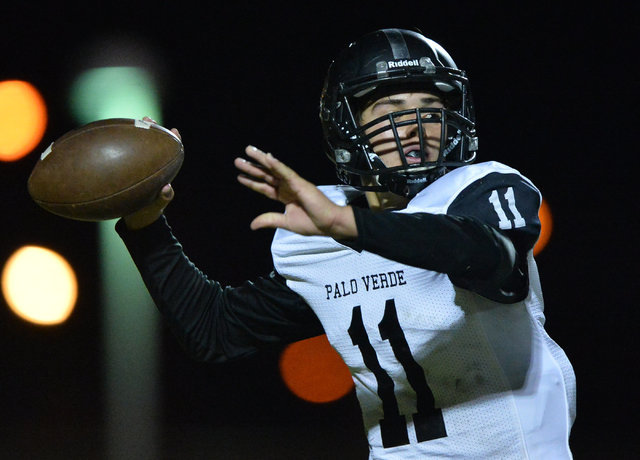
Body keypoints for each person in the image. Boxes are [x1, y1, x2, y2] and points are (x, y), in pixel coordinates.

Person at [118, 29, 576, 459]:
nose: (415, 123)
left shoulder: (482, 190)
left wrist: (351, 225)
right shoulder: (327, 231)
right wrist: (145, 224)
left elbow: (492, 259)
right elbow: (213, 330)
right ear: (348, 126)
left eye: (430, 105)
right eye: (391, 107)